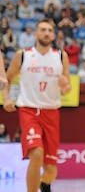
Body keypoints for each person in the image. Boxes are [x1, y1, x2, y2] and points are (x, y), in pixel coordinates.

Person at [2, 18, 71, 192]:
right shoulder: (23, 55)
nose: (46, 33)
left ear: (53, 35)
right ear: (36, 33)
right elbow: (8, 79)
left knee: (51, 170)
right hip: (29, 111)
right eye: (43, 29)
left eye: (49, 30)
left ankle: (43, 185)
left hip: (52, 112)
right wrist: (7, 98)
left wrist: (65, 86)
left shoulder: (61, 56)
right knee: (37, 154)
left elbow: (67, 88)